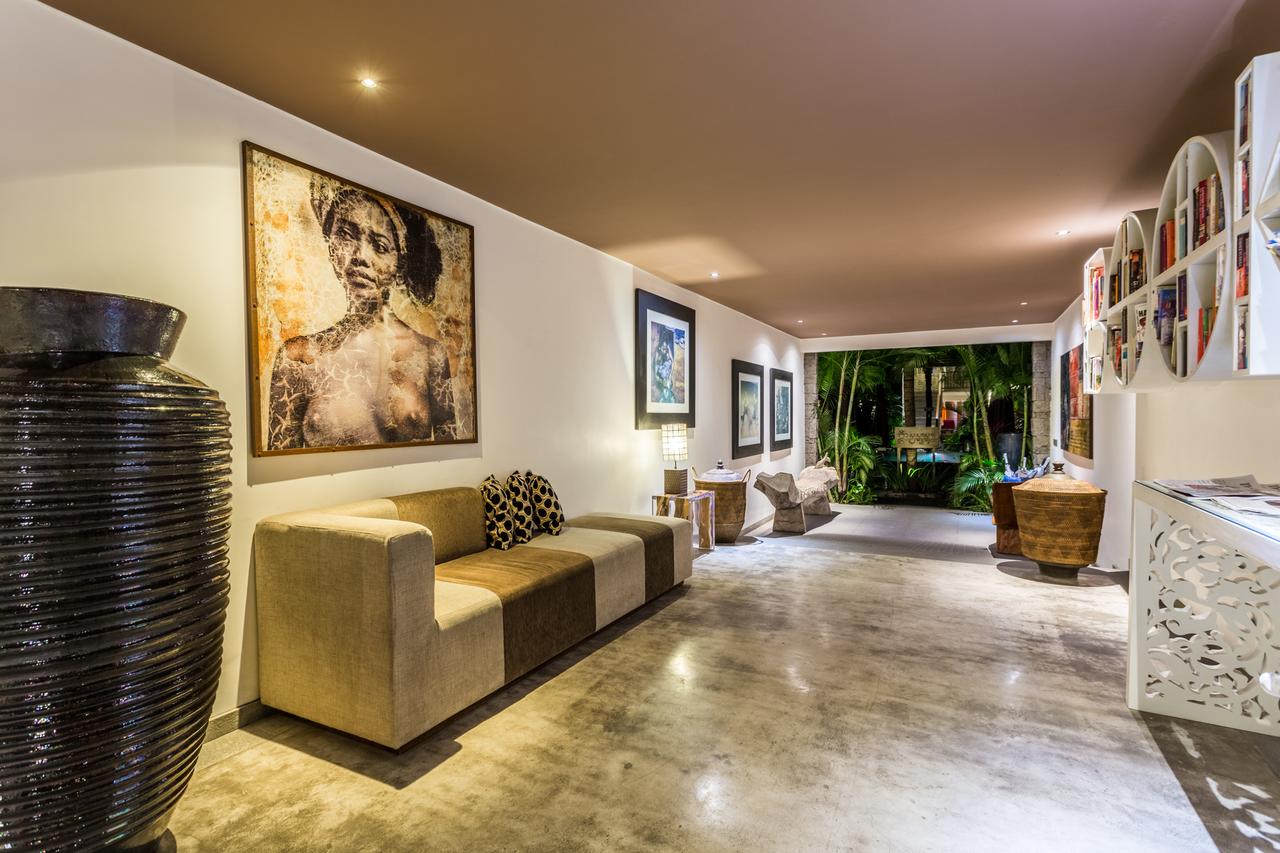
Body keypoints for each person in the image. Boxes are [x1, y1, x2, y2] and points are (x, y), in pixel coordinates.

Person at [268, 182, 457, 449]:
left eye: (380, 245)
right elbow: (280, 457)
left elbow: (450, 448)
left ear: (399, 265)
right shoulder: (297, 359)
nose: (361, 256)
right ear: (330, 243)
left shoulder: (430, 355)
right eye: (346, 234)